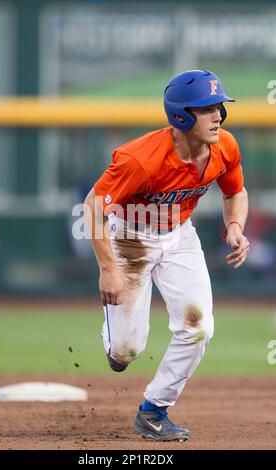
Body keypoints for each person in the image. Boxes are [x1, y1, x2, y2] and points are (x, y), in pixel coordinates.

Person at [84, 70, 250, 441]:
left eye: (219, 106)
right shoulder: (139, 159)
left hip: (180, 236)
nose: (218, 115)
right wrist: (107, 269)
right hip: (130, 237)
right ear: (181, 116)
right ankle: (117, 346)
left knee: (200, 326)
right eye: (207, 109)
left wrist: (235, 226)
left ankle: (154, 410)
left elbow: (234, 191)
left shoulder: (225, 146)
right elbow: (93, 206)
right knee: (127, 350)